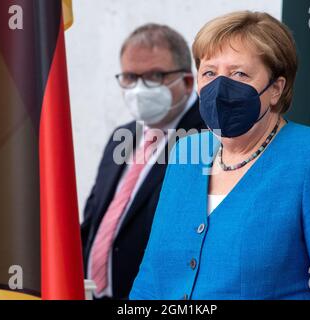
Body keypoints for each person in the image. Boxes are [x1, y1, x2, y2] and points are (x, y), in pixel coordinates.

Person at [130, 11, 310, 300]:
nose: (220, 87)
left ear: (276, 88)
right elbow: (151, 281)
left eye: (239, 73)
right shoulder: (187, 152)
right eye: (210, 72)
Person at [81, 24, 206, 300]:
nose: (139, 88)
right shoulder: (121, 137)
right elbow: (93, 222)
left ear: (187, 81)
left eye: (155, 76)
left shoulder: (210, 140)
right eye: (130, 77)